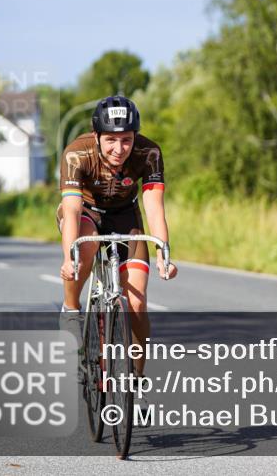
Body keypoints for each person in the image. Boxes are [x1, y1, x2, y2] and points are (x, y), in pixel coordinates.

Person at [56, 95, 177, 389]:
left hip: (125, 215)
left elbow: (154, 207)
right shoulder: (76, 153)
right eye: (110, 140)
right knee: (87, 242)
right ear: (96, 135)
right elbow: (71, 211)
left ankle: (136, 380)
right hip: (86, 213)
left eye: (126, 140)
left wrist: (163, 253)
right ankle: (71, 309)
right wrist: (69, 258)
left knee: (136, 303)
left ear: (135, 137)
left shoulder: (149, 153)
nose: (119, 149)